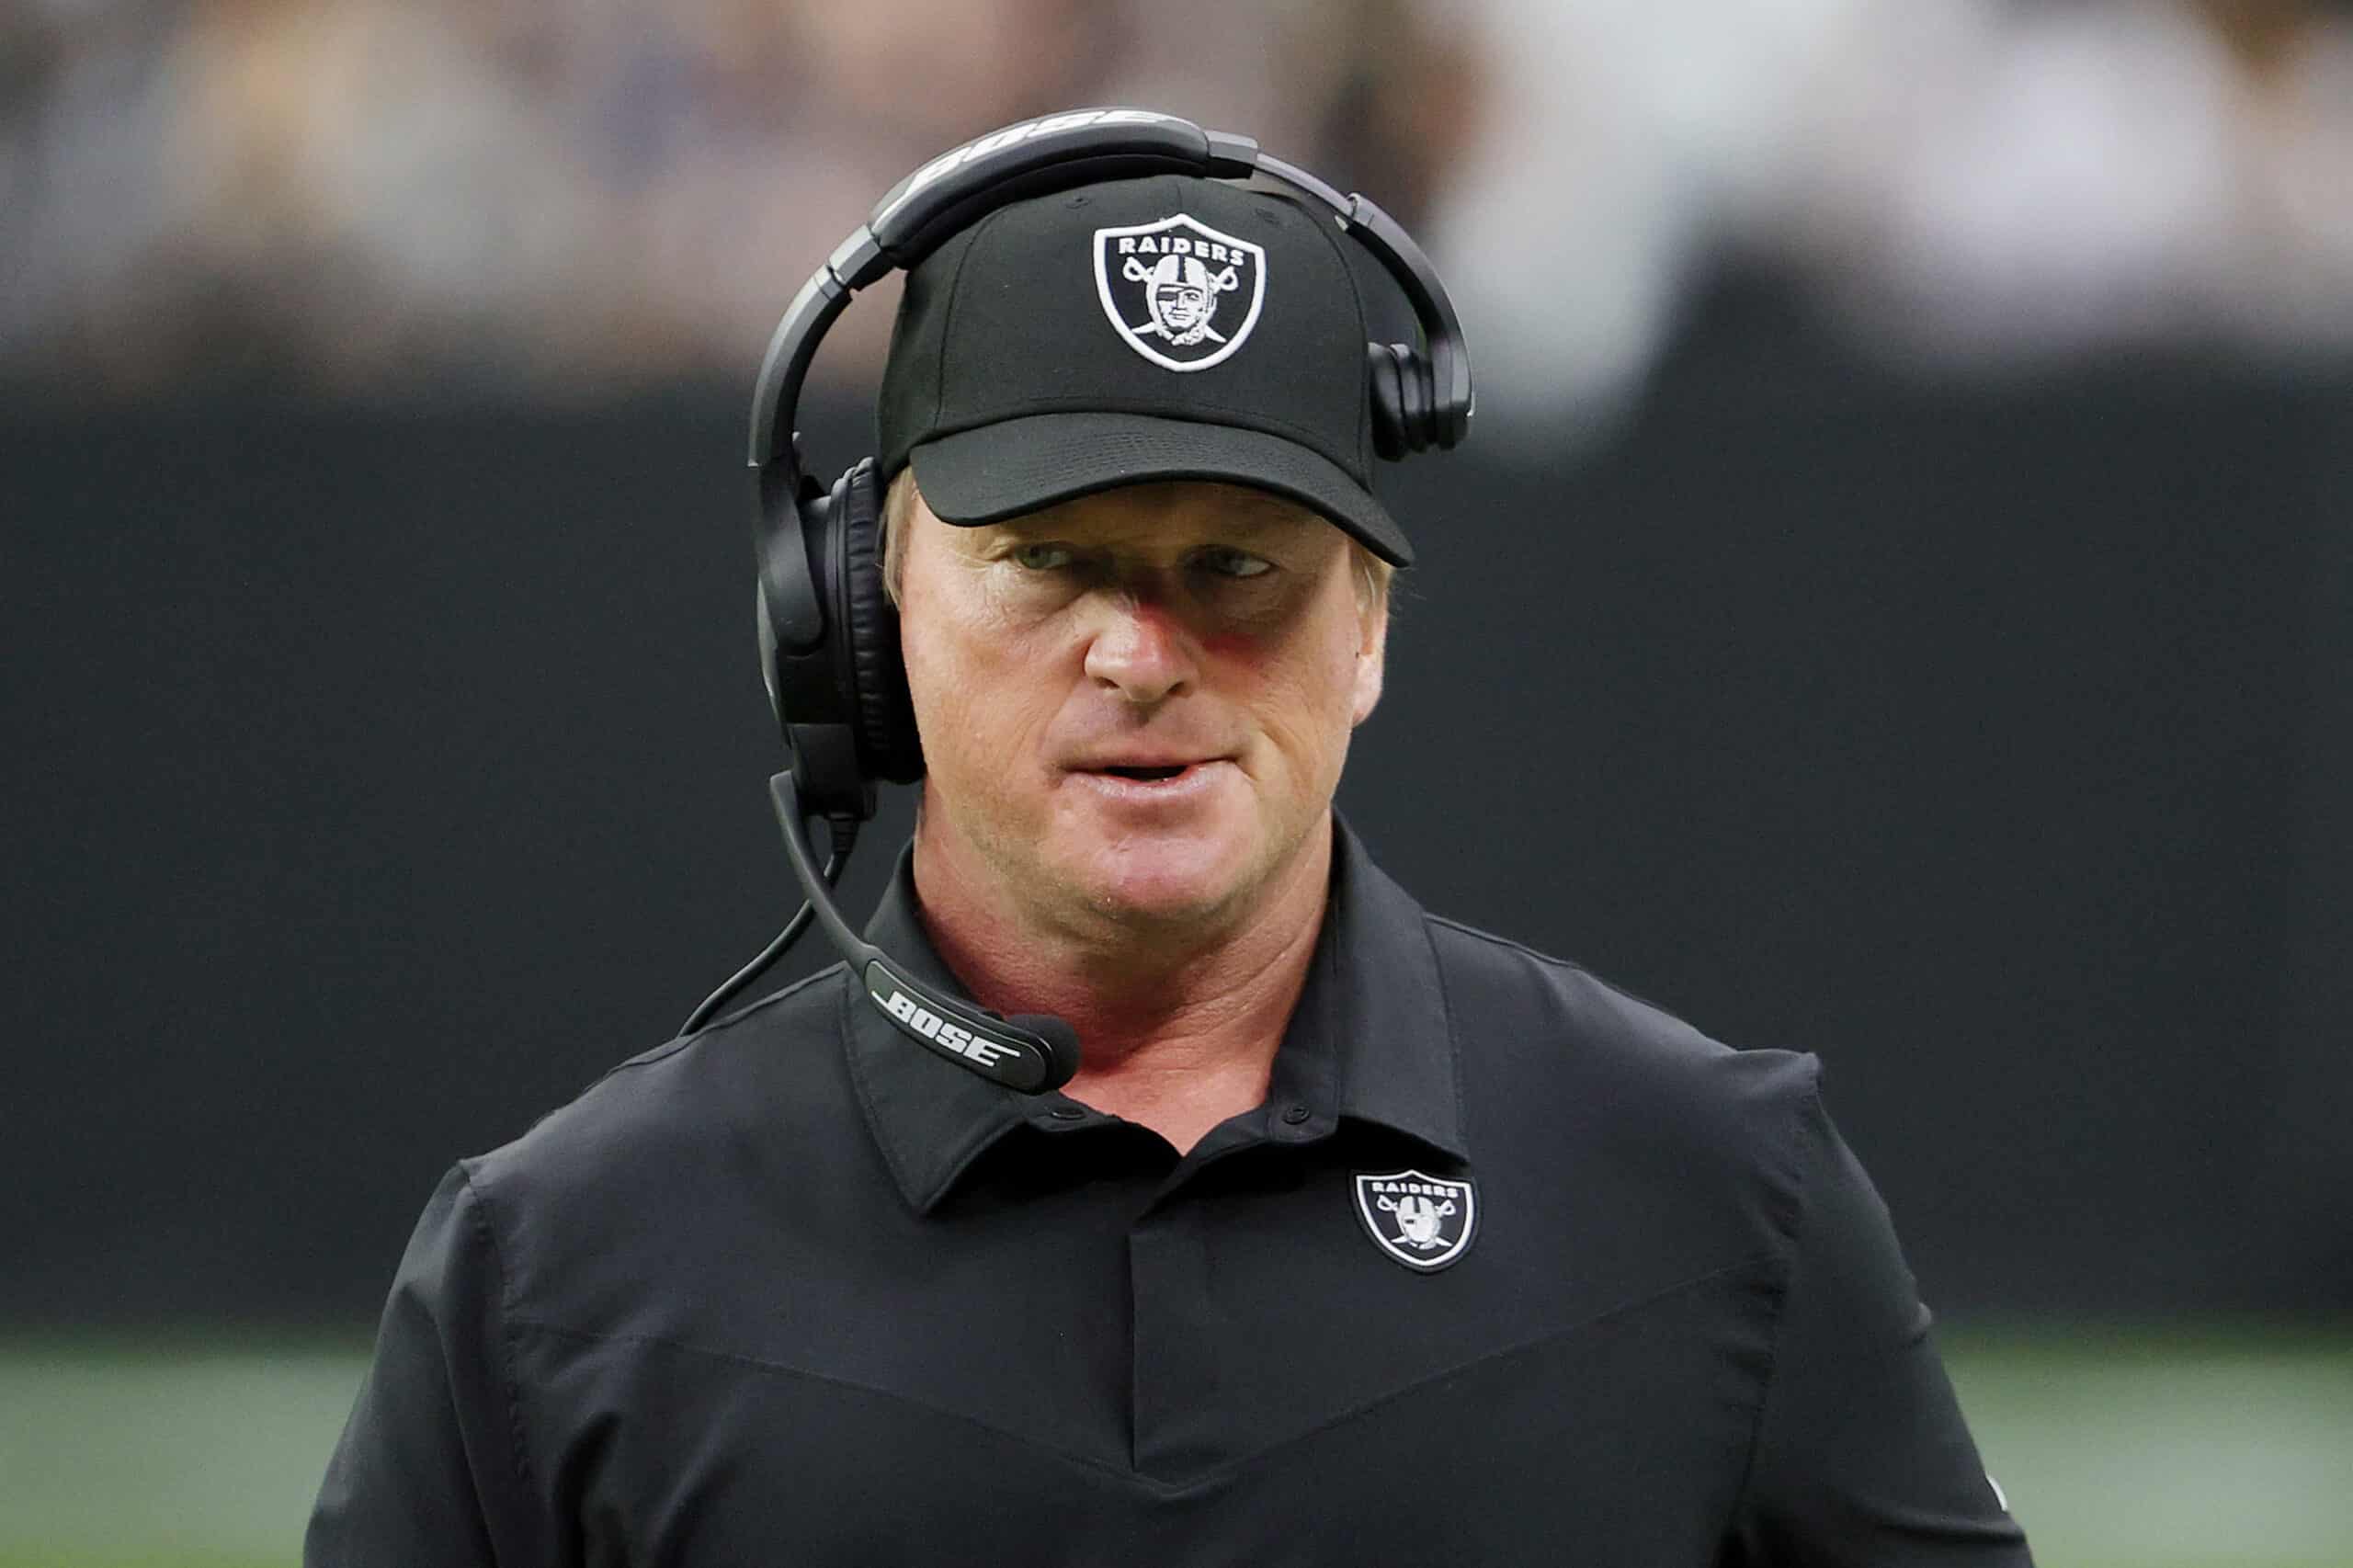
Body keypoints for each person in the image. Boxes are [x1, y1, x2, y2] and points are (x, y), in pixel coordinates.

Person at [308, 130, 2034, 1565]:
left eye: (1237, 566)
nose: (1141, 654)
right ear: (862, 605)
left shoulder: (1720, 1197)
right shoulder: (561, 1275)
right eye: (1051, 562)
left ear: (1369, 627)